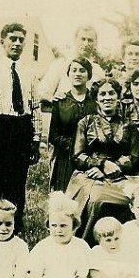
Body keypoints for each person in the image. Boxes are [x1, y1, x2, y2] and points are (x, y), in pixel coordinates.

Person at [0, 22, 42, 235]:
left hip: (20, 130)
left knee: (16, 186)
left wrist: (36, 140)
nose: (17, 43)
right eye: (13, 39)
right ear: (2, 42)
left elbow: (35, 109)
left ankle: (14, 233)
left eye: (21, 40)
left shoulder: (30, 75)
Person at [65, 78, 139, 246]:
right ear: (96, 99)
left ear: (118, 97)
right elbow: (78, 155)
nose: (107, 97)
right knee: (97, 199)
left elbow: (134, 157)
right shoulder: (86, 122)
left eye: (111, 93)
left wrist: (115, 166)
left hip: (124, 174)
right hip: (90, 174)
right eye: (102, 94)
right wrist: (101, 164)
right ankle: (87, 245)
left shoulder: (128, 125)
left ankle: (136, 244)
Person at [20, 192, 93, 278]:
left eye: (63, 226)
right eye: (54, 226)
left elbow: (82, 276)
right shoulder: (43, 247)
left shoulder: (81, 246)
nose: (58, 230)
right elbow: (35, 276)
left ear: (74, 226)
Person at [48, 57, 97, 191]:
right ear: (69, 74)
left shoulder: (95, 101)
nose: (78, 74)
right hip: (66, 159)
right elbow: (53, 135)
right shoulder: (60, 102)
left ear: (89, 75)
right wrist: (74, 146)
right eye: (74, 70)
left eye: (82, 70)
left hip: (91, 157)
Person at [38, 24, 105, 104]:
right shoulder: (60, 64)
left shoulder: (98, 71)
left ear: (95, 43)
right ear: (75, 40)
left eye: (90, 40)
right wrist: (55, 100)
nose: (86, 44)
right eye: (83, 39)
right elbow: (43, 92)